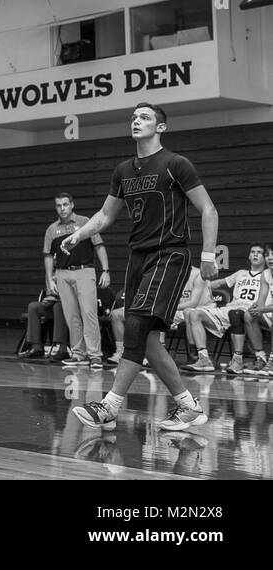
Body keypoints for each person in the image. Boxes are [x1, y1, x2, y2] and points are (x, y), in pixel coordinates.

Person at [65, 102, 219, 432]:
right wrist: (78, 234)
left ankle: (110, 406)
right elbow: (106, 216)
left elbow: (208, 209)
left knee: (135, 329)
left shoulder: (176, 164)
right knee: (147, 340)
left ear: (160, 127)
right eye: (134, 117)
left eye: (145, 118)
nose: (137, 121)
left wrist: (208, 256)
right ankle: (189, 407)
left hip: (170, 255)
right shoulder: (123, 170)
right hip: (138, 257)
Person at [43, 192, 110, 369]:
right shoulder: (51, 229)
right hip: (62, 274)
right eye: (58, 205)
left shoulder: (85, 222)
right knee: (71, 315)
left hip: (84, 271)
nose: (62, 208)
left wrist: (106, 271)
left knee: (89, 313)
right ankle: (78, 354)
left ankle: (95, 355)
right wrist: (50, 279)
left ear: (72, 204)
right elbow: (48, 256)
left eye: (65, 204)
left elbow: (99, 246)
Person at [181, 244, 270, 375]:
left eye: (259, 252)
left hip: (248, 310)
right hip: (231, 307)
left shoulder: (267, 276)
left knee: (236, 313)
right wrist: (201, 285)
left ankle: (238, 359)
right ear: (249, 256)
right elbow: (219, 283)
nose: (255, 254)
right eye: (253, 252)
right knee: (194, 314)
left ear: (265, 257)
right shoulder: (241, 273)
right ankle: (204, 359)